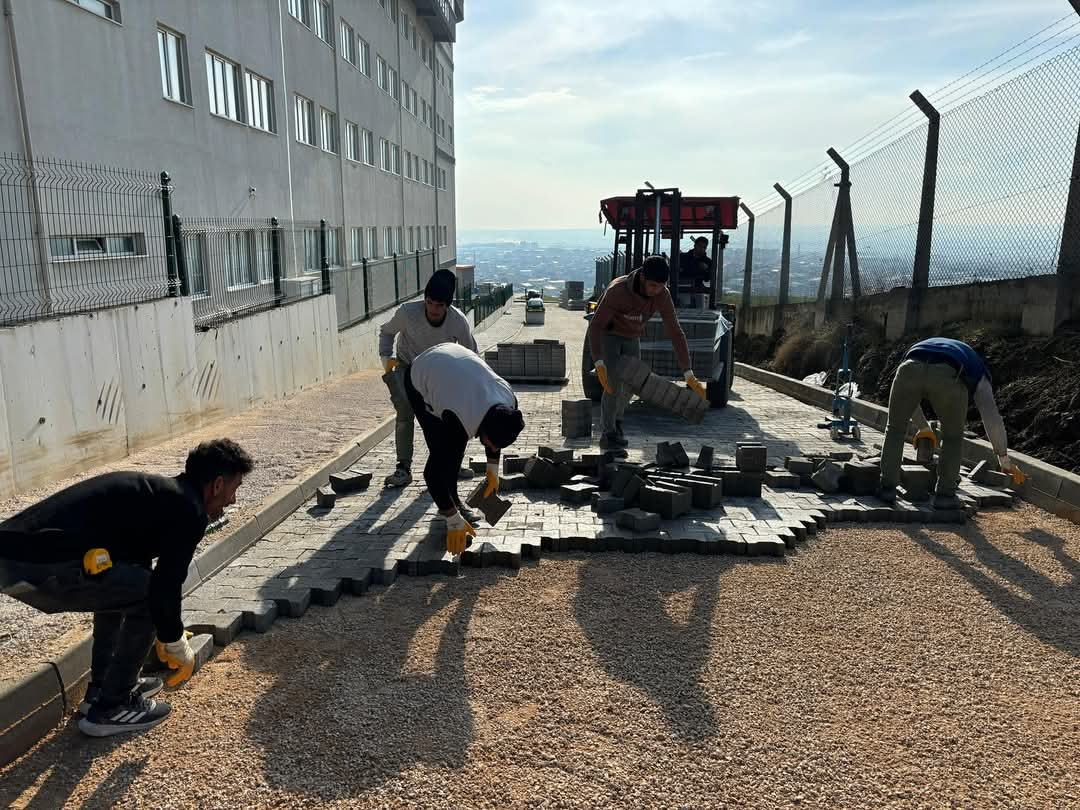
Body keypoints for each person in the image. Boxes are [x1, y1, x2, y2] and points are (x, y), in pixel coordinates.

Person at [0, 439, 254, 737]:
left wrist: (162, 628)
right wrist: (174, 642)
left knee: (125, 590)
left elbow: (132, 577)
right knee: (147, 597)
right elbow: (164, 586)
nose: (233, 500)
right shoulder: (189, 510)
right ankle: (113, 705)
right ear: (217, 485)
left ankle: (103, 688)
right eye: (234, 488)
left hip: (17, 559)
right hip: (41, 564)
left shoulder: (157, 499)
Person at [404, 342, 525, 554]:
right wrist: (452, 520)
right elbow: (430, 474)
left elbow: (497, 430)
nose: (492, 447)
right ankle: (450, 509)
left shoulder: (508, 402)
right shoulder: (458, 416)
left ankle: (454, 500)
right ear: (484, 428)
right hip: (421, 373)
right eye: (491, 443)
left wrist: (492, 471)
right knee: (443, 454)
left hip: (456, 366)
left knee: (453, 450)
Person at [879, 337, 1022, 507]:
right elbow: (990, 414)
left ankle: (887, 489)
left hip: (908, 368)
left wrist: (923, 427)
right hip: (947, 374)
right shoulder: (978, 369)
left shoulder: (924, 347)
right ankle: (945, 495)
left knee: (895, 429)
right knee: (952, 437)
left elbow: (909, 400)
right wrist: (1003, 458)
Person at [588, 255, 707, 450]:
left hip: (632, 336)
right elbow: (596, 326)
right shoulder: (618, 290)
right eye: (652, 286)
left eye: (660, 286)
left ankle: (617, 422)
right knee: (612, 384)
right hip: (609, 335)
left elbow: (675, 332)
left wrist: (688, 373)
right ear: (642, 277)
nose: (655, 291)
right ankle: (608, 433)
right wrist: (599, 363)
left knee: (633, 382)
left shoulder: (662, 294)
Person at [379, 268, 478, 488]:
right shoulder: (407, 313)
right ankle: (402, 468)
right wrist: (387, 360)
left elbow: (471, 353)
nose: (433, 309)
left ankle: (450, 463)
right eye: (430, 302)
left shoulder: (458, 321)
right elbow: (386, 332)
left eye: (439, 305)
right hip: (407, 367)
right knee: (405, 411)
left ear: (448, 305)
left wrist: (471, 383)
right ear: (425, 299)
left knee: (447, 417)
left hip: (440, 372)